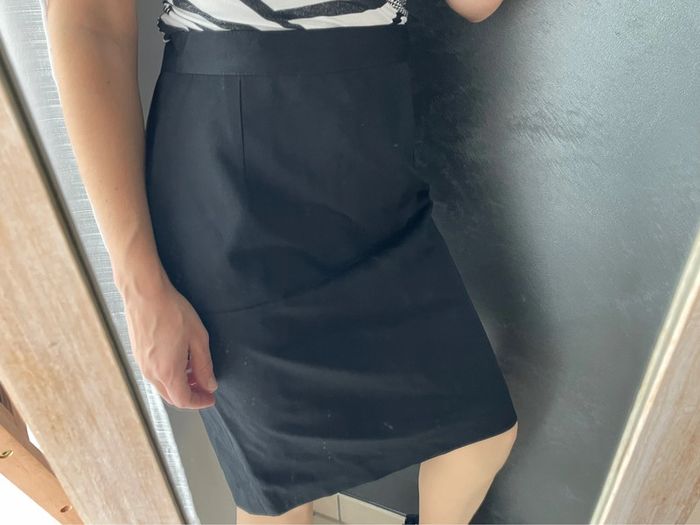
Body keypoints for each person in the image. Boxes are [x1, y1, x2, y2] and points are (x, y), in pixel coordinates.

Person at [46, 0, 517, 523]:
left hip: (372, 153)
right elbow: (89, 25)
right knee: (281, 488)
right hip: (232, 181)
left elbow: (477, 6)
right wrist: (139, 286)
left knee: (482, 434)